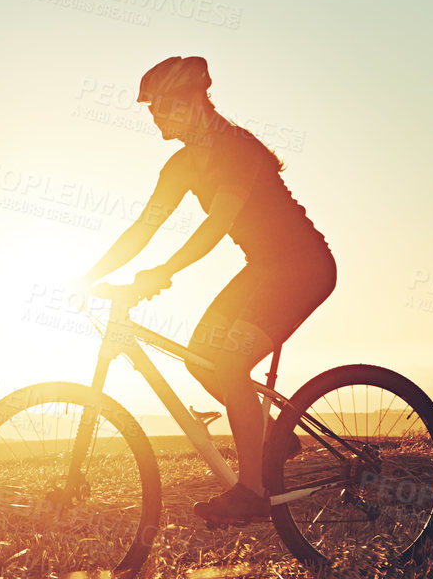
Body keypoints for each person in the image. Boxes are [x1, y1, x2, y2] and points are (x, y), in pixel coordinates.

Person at [79, 56, 337, 524]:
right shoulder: (180, 165)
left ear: (192, 103)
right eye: (151, 107)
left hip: (303, 267)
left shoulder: (236, 150)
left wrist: (164, 272)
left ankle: (251, 492)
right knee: (202, 356)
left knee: (231, 363)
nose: (153, 115)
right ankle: (276, 439)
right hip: (263, 267)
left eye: (161, 105)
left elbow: (217, 224)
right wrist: (87, 276)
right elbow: (144, 227)